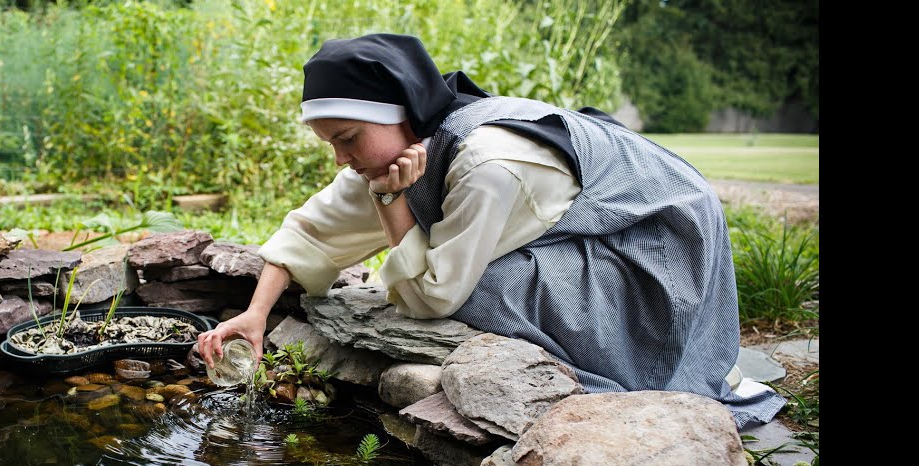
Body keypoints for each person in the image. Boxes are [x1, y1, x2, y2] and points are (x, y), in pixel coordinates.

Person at [196, 33, 784, 430]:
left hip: (651, 247)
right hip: (587, 226)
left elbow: (433, 297)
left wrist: (393, 203)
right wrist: (255, 315)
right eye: (331, 143)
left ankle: (649, 355)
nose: (340, 157)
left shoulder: (488, 166)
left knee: (490, 287)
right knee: (457, 265)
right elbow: (312, 231)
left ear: (398, 112)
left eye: (348, 138)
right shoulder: (402, 150)